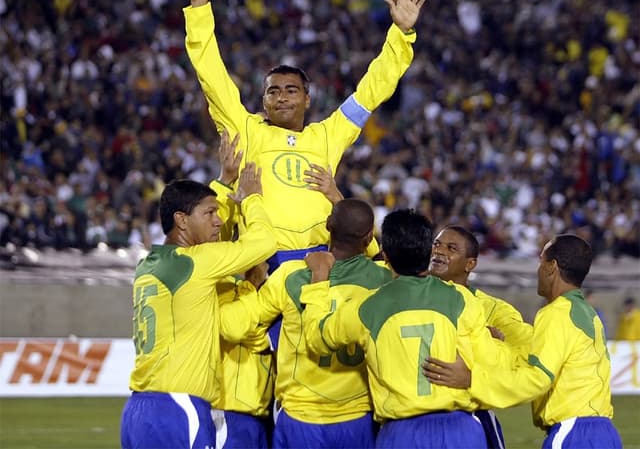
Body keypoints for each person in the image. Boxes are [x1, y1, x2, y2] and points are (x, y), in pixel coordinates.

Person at [180, 0, 425, 271]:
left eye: (291, 90)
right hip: (263, 266)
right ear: (263, 99)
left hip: (320, 267)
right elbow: (211, 76)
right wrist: (199, 10)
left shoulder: (327, 135)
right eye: (273, 91)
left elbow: (371, 92)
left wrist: (401, 36)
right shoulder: (245, 129)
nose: (281, 97)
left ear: (307, 99)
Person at [301, 208, 509, 449]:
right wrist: (491, 344)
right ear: (429, 250)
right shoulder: (462, 299)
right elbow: (495, 366)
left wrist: (318, 279)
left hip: (402, 432)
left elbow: (316, 338)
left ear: (385, 256)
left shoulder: (367, 306)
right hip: (460, 429)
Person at [120, 167, 277, 449]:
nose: (218, 222)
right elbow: (264, 243)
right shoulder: (197, 262)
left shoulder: (147, 266)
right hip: (179, 409)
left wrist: (224, 181)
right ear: (181, 220)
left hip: (137, 409)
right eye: (209, 214)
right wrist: (253, 198)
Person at [221, 198, 391, 448]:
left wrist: (264, 340)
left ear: (328, 225)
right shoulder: (385, 280)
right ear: (368, 237)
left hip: (300, 417)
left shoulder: (291, 275)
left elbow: (233, 326)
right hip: (357, 417)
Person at [426, 234, 623, 449]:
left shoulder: (556, 313)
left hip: (575, 432)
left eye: (541, 262)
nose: (538, 270)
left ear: (551, 267)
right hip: (604, 431)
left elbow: (536, 378)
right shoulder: (588, 314)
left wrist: (472, 380)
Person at [426, 225, 533, 449]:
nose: (439, 251)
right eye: (437, 244)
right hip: (413, 416)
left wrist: (493, 352)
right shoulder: (412, 294)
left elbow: (525, 358)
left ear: (470, 264)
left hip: (471, 417)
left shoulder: (495, 309)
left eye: (451, 248)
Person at [209, 131, 275, 449]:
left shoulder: (269, 284)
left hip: (265, 410)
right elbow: (232, 326)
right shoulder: (217, 279)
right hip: (231, 411)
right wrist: (225, 182)